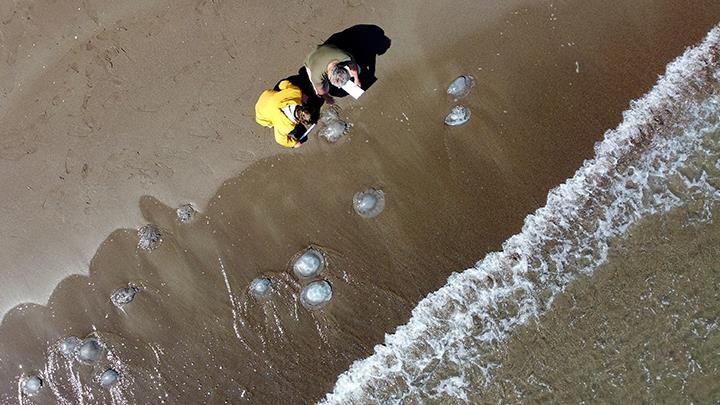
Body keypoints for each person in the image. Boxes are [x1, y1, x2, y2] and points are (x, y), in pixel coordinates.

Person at [255, 80, 315, 148]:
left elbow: (282, 84)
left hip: (266, 95)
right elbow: (279, 139)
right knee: (301, 131)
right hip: (261, 114)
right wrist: (294, 144)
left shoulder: (296, 92)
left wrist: (299, 94)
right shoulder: (286, 127)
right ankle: (271, 123)